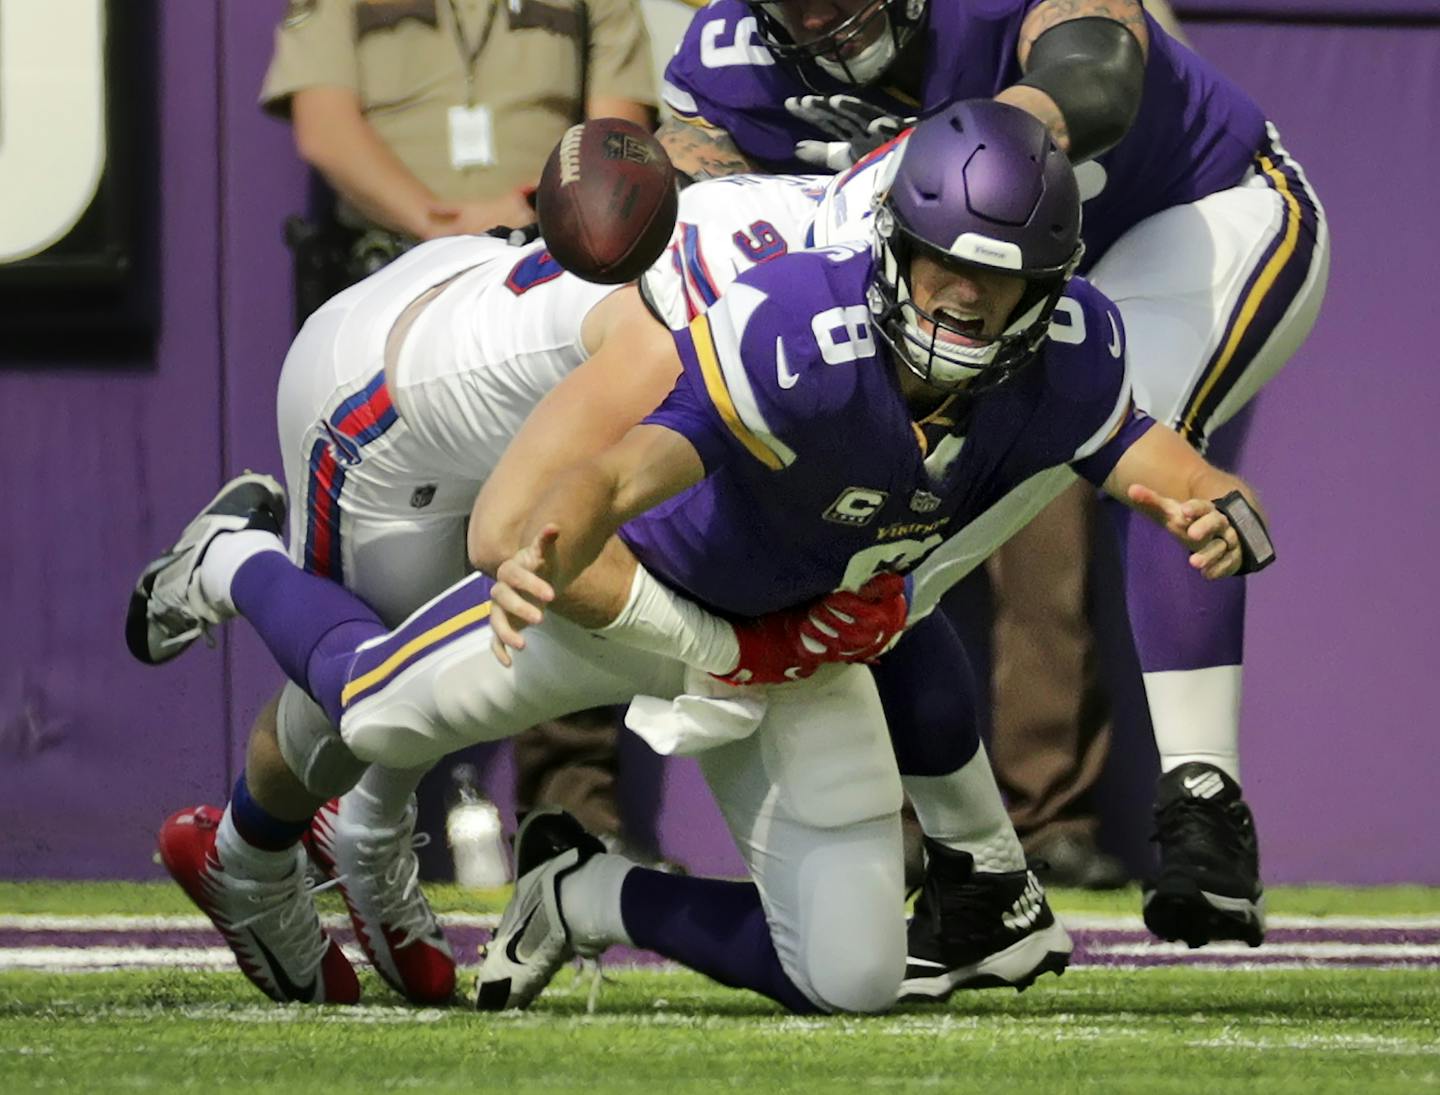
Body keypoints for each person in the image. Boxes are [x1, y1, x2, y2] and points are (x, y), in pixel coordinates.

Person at [128, 103, 1273, 1014]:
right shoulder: (778, 318)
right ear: (887, 232)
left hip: (783, 644)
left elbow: (1131, 438)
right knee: (373, 716)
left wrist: (1207, 497)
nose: (963, 297)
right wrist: (680, 618)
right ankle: (233, 561)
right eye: (937, 261)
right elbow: (593, 486)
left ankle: (582, 894)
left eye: (999, 272)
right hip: (634, 584)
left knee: (857, 976)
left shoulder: (1064, 348)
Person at [656, 0, 1329, 932]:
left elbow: (1092, 72)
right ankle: (983, 876)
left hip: (1196, 210)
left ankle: (1204, 804)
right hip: (1003, 298)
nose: (822, 20)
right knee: (886, 556)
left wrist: (952, 151)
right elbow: (694, 239)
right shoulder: (725, 63)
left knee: (1147, 434)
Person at [260, 0, 663, 891]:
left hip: (538, 282)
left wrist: (511, 221)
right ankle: (339, 819)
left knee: (564, 537)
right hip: (384, 290)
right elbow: (325, 127)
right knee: (366, 598)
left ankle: (573, 814)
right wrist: (439, 221)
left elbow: (618, 136)